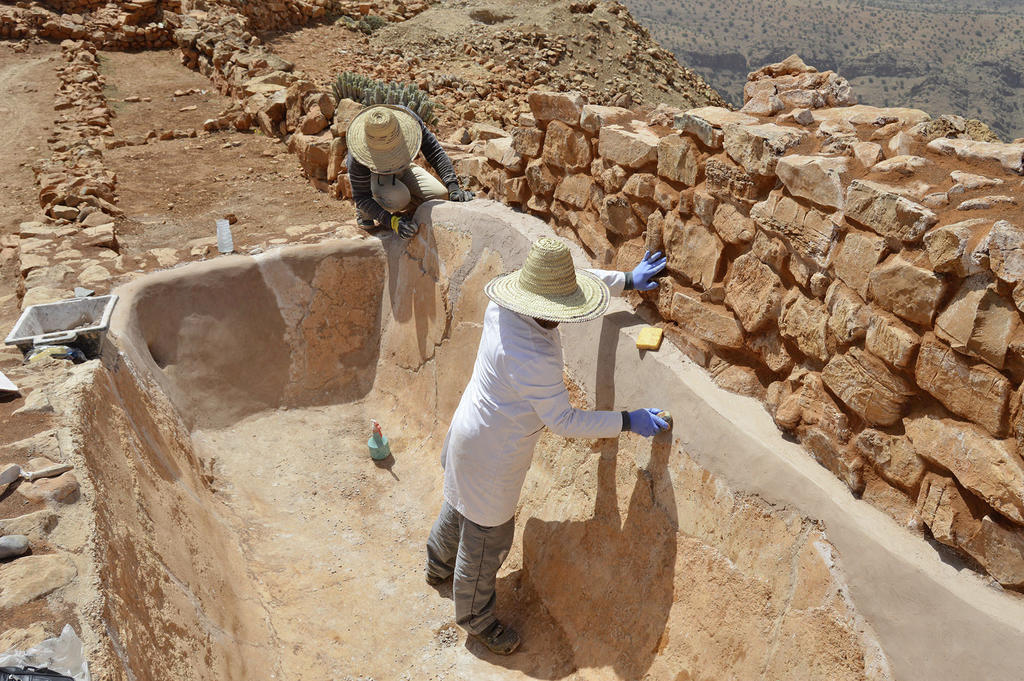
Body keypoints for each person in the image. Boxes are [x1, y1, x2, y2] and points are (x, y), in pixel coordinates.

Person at [425, 237, 670, 655]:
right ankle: (476, 619)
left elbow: (572, 283)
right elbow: (563, 420)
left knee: (457, 505)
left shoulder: (503, 302)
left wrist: (627, 279)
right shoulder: (533, 356)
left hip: (468, 432)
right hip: (492, 455)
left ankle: (436, 566)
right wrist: (628, 420)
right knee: (486, 541)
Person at [346, 104, 474, 238]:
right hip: (376, 174)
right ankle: (364, 213)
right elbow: (361, 197)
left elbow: (435, 152)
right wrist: (391, 222)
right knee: (398, 199)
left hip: (403, 167)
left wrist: (453, 187)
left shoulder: (408, 120)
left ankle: (407, 202)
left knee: (440, 195)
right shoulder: (357, 156)